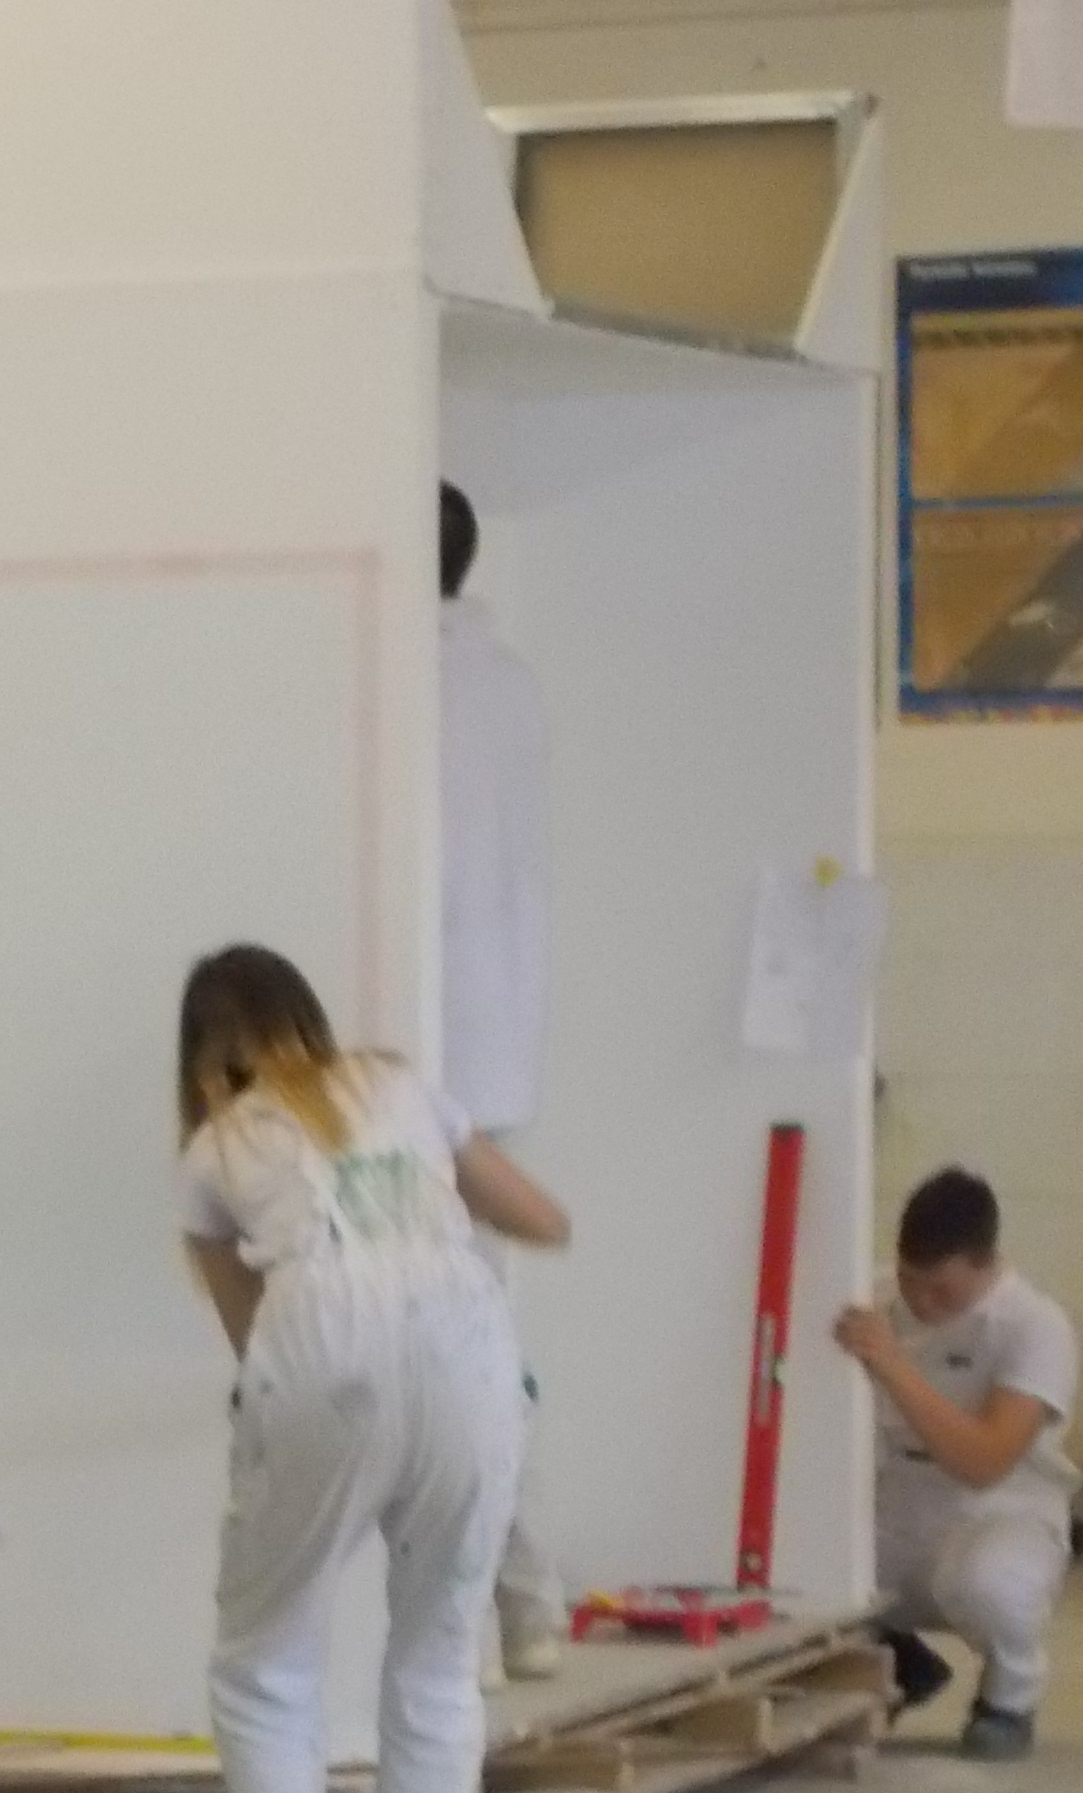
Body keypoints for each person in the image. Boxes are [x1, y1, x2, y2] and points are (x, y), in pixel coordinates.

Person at [171, 947, 570, 1793]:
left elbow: (251, 1334)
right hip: (470, 1353)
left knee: (263, 1666)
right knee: (439, 1661)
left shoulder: (214, 1149)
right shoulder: (399, 1084)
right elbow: (542, 1219)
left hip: (323, 1357)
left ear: (201, 1056)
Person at [437, 478, 571, 1688]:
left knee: (448, 1358)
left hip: (424, 1077)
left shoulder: (415, 680)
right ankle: (519, 1605)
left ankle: (495, 1609)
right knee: (473, 1341)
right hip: (488, 1062)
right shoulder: (510, 682)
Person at [836, 1167, 1081, 1762]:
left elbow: (984, 1462)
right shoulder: (874, 1302)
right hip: (897, 1497)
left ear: (985, 1263)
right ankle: (899, 1666)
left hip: (1002, 1509)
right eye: (910, 1282)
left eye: (941, 1291)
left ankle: (1009, 1697)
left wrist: (893, 1365)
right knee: (805, 1571)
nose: (921, 1303)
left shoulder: (1034, 1326)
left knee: (989, 1585)